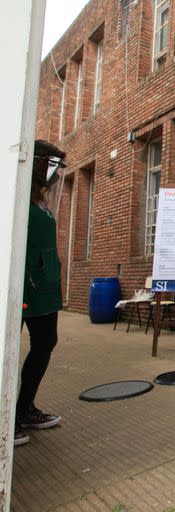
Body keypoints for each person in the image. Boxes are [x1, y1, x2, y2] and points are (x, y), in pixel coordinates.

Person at [16, 140, 69, 447]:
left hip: (44, 285)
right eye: (52, 167)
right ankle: (7, 416)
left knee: (46, 341)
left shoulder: (41, 202)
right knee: (8, 349)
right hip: (24, 284)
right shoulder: (17, 196)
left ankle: (25, 408)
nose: (56, 175)